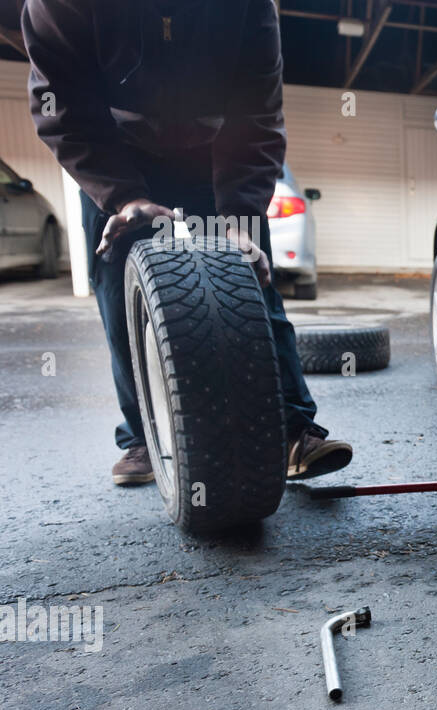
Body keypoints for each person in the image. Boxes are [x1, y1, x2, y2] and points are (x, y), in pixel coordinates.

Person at [22, 0, 352, 485]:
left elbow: (257, 112)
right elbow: (61, 102)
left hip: (211, 156)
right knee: (118, 293)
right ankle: (140, 437)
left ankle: (294, 430)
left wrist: (239, 218)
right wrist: (122, 196)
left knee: (251, 278)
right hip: (114, 155)